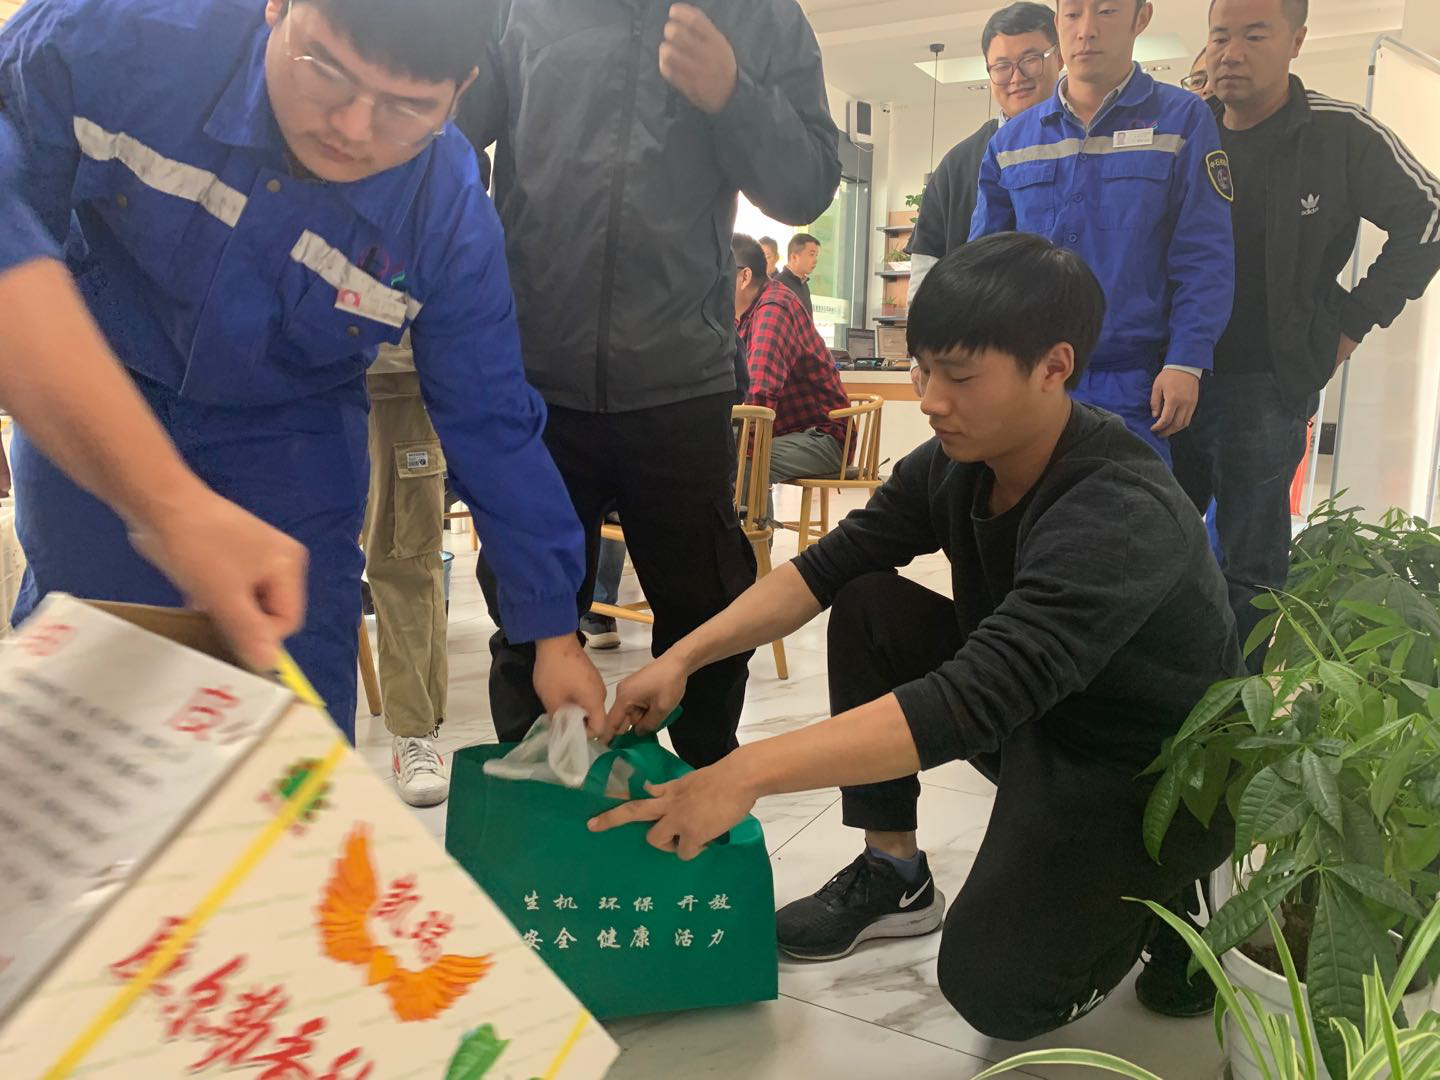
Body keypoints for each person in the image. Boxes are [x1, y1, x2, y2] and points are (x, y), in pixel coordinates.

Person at [595, 234, 1241, 1033]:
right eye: (923, 370)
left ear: (1053, 367)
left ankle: (1175, 885)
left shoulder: (1116, 508)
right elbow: (823, 570)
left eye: (960, 377)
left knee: (997, 992)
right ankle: (893, 870)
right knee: (869, 600)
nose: (931, 401)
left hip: (1147, 769)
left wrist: (744, 774)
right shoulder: (954, 462)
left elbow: (973, 698)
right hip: (1041, 717)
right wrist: (684, 658)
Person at [0, 0, 606, 741]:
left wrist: (552, 632)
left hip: (290, 441)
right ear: (279, 5)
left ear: (462, 91)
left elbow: (492, 419)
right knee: (87, 685)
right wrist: (162, 502)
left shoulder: (446, 219)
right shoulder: (115, 37)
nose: (352, 127)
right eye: (325, 69)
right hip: (99, 385)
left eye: (406, 108)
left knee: (292, 721)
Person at [460, 0, 840, 767]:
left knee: (706, 621)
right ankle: (536, 809)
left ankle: (701, 797)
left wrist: (732, 95)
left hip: (681, 382)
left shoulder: (755, 14)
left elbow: (807, 185)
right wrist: (485, 248)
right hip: (537, 379)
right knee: (528, 624)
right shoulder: (517, 9)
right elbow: (441, 130)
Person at [1173, 0, 1440, 667]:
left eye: (1254, 35)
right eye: (1219, 36)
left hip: (1268, 384)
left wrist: (1352, 322)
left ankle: (1234, 705)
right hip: (1173, 372)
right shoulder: (1186, 127)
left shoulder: (1338, 133)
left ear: (1296, 41)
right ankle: (1160, 693)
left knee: (1251, 565)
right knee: (1154, 544)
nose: (1230, 53)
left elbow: (1429, 217)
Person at [0, 116, 307, 670]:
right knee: (84, 661)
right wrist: (169, 506)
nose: (355, 125)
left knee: (287, 657)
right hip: (97, 361)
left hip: (282, 417)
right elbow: (14, 252)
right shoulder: (91, 68)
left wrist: (170, 508)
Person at [971, 0, 1235, 465]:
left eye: (1108, 11)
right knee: (1019, 507)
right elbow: (982, 267)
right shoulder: (1011, 142)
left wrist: (1186, 361)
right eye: (1073, 14)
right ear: (1058, 22)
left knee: (1127, 507)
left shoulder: (1182, 119)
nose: (1086, 30)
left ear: (1141, 18)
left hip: (1135, 384)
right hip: (1030, 379)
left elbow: (1203, 253)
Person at [907, 2, 1063, 303]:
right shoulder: (958, 165)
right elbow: (926, 270)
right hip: (976, 327)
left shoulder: (1086, 147)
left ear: (1059, 56)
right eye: (1002, 66)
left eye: (1031, 60)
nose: (1016, 77)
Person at [363, 336, 452, 806]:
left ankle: (414, 732)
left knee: (407, 562)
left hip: (395, 374)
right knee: (294, 563)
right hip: (275, 371)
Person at [733, 234, 850, 509]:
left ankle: (749, 536)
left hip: (821, 437)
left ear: (744, 277)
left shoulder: (774, 308)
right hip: (785, 433)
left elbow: (758, 394)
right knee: (727, 451)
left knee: (740, 459)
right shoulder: (745, 314)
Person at [775, 233, 821, 319]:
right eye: (811, 254)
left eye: (816, 255)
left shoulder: (803, 284)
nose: (815, 260)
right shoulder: (778, 285)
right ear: (794, 257)